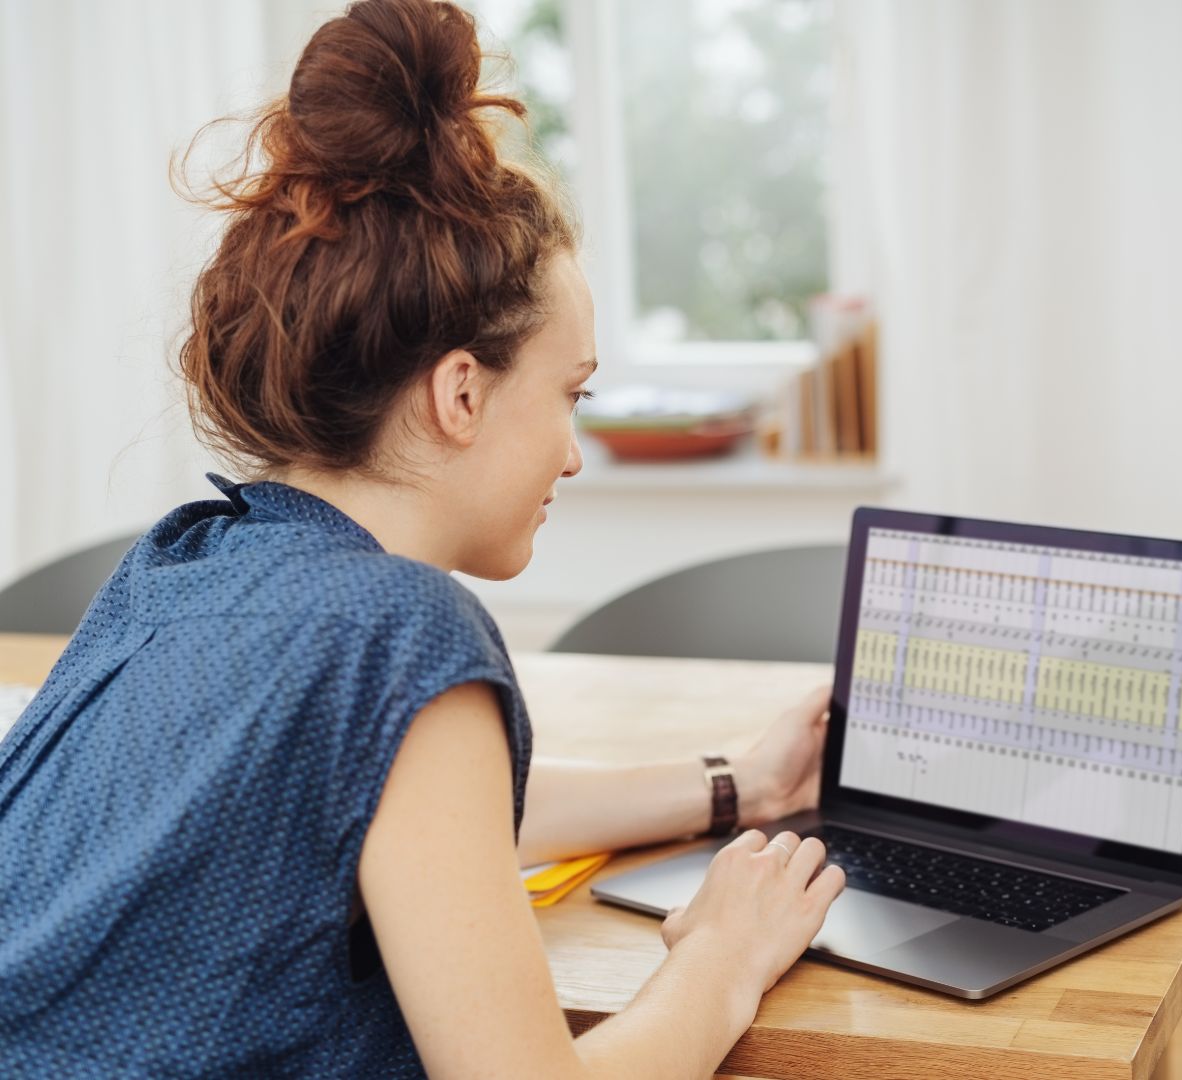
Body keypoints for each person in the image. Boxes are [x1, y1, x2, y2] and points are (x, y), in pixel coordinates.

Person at [0, 0, 845, 1075]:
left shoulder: (187, 562)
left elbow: (402, 821)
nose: (572, 454)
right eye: (568, 396)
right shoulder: (402, 630)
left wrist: (738, 787)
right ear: (460, 392)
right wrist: (724, 957)